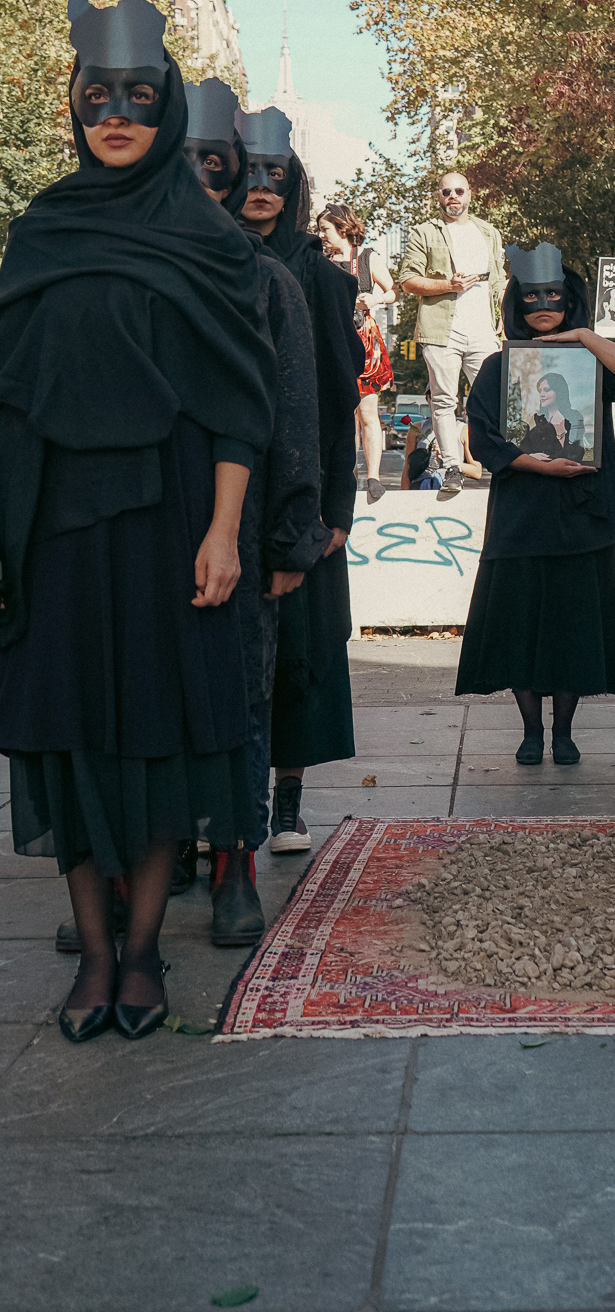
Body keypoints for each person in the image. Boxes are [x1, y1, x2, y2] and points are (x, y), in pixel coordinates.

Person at [0, 0, 276, 1042]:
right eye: (98, 96)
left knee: (158, 734)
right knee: (67, 736)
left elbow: (238, 404)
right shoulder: (40, 230)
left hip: (169, 523)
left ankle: (148, 953)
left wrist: (224, 532)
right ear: (73, 105)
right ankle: (95, 955)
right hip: (53, 526)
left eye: (140, 97)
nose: (116, 113)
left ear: (166, 111)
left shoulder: (209, 242)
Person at [175, 81, 330, 942]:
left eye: (219, 165)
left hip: (246, 515)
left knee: (239, 695)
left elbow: (296, 413)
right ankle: (137, 864)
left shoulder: (270, 281)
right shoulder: (139, 262)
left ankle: (236, 864)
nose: (206, 178)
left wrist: (290, 535)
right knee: (142, 697)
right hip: (139, 518)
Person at [457, 242, 615, 763]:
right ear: (517, 302)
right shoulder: (497, 366)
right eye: (532, 295)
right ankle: (531, 733)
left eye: (554, 296)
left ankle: (564, 733)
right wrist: (537, 465)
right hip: (522, 519)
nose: (542, 304)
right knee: (520, 629)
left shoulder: (591, 359)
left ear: (569, 301)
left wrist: (583, 335)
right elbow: (485, 439)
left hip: (583, 519)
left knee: (574, 630)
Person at [239, 107, 363, 848]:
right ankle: (225, 809)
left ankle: (287, 802)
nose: (260, 187)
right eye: (246, 171)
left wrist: (336, 508)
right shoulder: (200, 257)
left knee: (300, 654)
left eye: (275, 174)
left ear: (294, 184)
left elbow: (337, 400)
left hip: (301, 491)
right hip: (218, 491)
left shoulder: (317, 274)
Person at [398, 171, 504, 499]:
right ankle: (452, 468)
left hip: (483, 329)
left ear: (470, 194)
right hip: (441, 330)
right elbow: (407, 279)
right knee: (444, 401)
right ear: (439, 196)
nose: (453, 197)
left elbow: (499, 280)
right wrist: (449, 285)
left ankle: (509, 460)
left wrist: (506, 313)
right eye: (446, 192)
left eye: (459, 191)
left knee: (499, 396)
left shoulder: (488, 232)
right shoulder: (424, 233)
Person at [316, 203, 396, 504]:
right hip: (332, 339)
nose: (321, 234)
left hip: (364, 340)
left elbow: (391, 291)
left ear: (342, 227)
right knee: (341, 414)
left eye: (325, 229)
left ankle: (373, 477)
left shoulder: (366, 258)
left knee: (367, 413)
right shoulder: (319, 261)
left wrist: (374, 300)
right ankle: (345, 475)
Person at [519, 370, 587, 461]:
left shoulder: (574, 417)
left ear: (558, 391)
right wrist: (530, 457)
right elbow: (523, 450)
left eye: (546, 390)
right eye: (540, 391)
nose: (541, 394)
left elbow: (577, 453)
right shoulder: (536, 420)